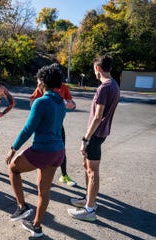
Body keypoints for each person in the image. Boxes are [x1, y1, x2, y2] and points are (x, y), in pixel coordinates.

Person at [6, 64, 66, 238]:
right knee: (44, 191)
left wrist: (13, 149)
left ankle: (22, 207)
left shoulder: (41, 101)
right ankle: (36, 227)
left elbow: (28, 129)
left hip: (43, 150)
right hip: (58, 152)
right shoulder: (60, 102)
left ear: (42, 82)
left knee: (13, 168)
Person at [67, 55, 120, 221]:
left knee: (92, 172)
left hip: (95, 135)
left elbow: (98, 116)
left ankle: (90, 210)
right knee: (87, 166)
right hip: (100, 134)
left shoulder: (104, 88)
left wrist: (85, 139)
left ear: (98, 68)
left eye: (94, 69)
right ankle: (89, 199)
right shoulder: (115, 85)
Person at [30, 68, 77, 186]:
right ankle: (42, 177)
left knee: (61, 149)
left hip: (57, 124)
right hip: (44, 125)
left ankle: (64, 175)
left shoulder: (63, 87)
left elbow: (73, 104)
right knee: (42, 149)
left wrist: (69, 104)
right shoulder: (43, 86)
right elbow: (32, 102)